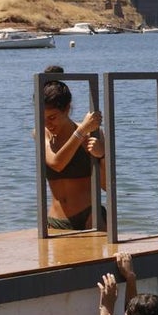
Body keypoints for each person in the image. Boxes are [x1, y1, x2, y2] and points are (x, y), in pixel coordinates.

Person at [41, 71, 107, 230]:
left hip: (90, 216)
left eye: (52, 117)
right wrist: (81, 131)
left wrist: (102, 156)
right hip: (56, 221)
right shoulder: (42, 133)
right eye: (43, 118)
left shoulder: (93, 133)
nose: (48, 124)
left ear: (67, 109)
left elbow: (107, 186)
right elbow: (57, 164)